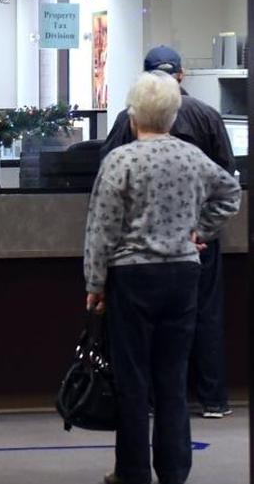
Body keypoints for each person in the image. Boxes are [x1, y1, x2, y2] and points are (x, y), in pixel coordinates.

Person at [84, 72, 241, 484]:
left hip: (132, 277)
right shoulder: (192, 157)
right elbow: (230, 193)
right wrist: (200, 231)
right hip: (183, 275)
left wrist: (95, 284)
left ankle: (133, 471)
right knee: (172, 379)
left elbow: (102, 228)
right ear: (173, 116)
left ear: (133, 116)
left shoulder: (121, 161)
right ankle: (174, 470)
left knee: (133, 381)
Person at [101, 45, 236, 419]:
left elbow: (105, 176)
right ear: (181, 75)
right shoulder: (207, 115)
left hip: (140, 245)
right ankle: (213, 399)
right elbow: (227, 176)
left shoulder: (128, 119)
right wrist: (201, 229)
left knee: (139, 332)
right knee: (206, 315)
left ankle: (144, 402)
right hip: (195, 242)